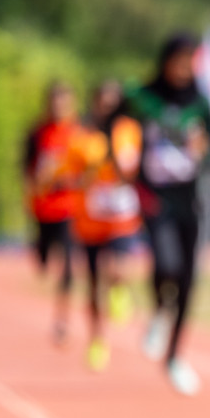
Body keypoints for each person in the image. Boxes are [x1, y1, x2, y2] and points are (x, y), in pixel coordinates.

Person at [122, 33, 210, 397]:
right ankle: (160, 310)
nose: (184, 68)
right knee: (167, 265)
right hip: (155, 197)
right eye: (178, 60)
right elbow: (107, 119)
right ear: (164, 61)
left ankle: (175, 355)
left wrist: (206, 152)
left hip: (190, 199)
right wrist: (121, 162)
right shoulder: (143, 98)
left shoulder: (201, 102)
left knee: (190, 280)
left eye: (190, 61)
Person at [63, 81, 144, 372]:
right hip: (90, 219)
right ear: (95, 103)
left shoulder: (130, 132)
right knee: (94, 285)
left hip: (121, 217)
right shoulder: (81, 136)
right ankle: (97, 339)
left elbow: (138, 169)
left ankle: (120, 290)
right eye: (102, 102)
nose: (107, 108)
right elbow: (71, 175)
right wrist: (89, 173)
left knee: (118, 269)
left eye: (113, 103)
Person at [22, 82, 80, 345]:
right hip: (43, 208)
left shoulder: (79, 133)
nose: (59, 108)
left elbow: (88, 169)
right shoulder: (36, 133)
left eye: (64, 103)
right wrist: (37, 185)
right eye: (55, 103)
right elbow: (26, 169)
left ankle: (62, 319)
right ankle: (40, 251)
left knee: (68, 267)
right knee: (44, 262)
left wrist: (71, 179)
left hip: (69, 208)